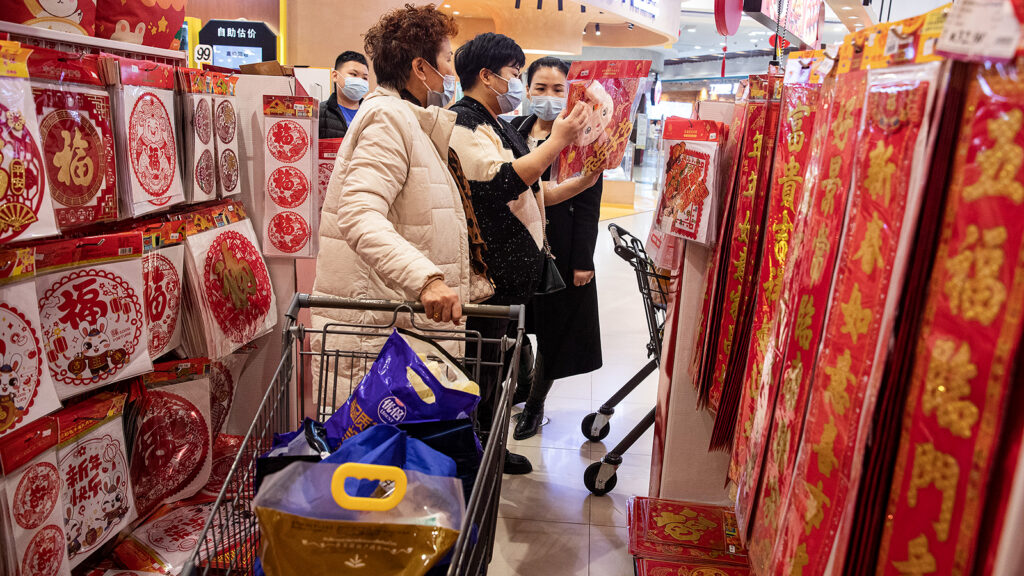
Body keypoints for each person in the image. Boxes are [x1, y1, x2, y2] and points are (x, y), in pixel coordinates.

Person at [448, 33, 598, 474]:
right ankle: (480, 456)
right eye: (516, 75)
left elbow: (532, 189)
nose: (517, 84)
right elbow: (501, 184)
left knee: (499, 370)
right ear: (487, 77)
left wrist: (581, 183)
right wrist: (559, 140)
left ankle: (489, 449)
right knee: (485, 373)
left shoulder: (492, 122)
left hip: (514, 275)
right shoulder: (466, 122)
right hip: (491, 275)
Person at [312, 4, 474, 406]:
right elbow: (359, 213)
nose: (453, 73)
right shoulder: (388, 119)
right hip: (377, 337)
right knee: (371, 464)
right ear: (421, 68)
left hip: (398, 327)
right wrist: (427, 279)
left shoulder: (410, 120)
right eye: (448, 60)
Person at [510, 57, 604, 440]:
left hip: (561, 249)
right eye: (540, 88)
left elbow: (588, 204)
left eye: (558, 89)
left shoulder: (586, 138)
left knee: (555, 328)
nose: (549, 97)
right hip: (516, 247)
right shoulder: (512, 130)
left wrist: (583, 259)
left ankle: (535, 404)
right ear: (527, 91)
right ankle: (524, 379)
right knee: (518, 323)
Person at [319, 50, 370, 139]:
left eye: (364, 78)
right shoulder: (320, 112)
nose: (360, 81)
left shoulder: (371, 113)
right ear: (335, 76)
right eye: (354, 74)